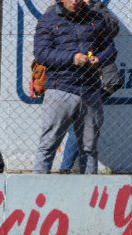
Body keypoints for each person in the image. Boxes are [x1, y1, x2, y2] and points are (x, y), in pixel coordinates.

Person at [32, 0, 117, 174]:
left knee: (89, 148)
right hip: (60, 88)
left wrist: (99, 59)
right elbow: (41, 54)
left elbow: (111, 49)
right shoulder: (48, 20)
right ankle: (36, 192)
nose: (76, 1)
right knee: (48, 145)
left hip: (91, 90)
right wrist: (72, 58)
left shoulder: (96, 18)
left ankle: (89, 194)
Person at [57, 0, 122, 173]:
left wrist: (92, 7)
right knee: (79, 124)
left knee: (82, 122)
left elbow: (113, 30)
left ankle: (67, 168)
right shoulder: (58, 11)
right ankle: (70, 168)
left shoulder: (97, 9)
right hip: (68, 78)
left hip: (97, 80)